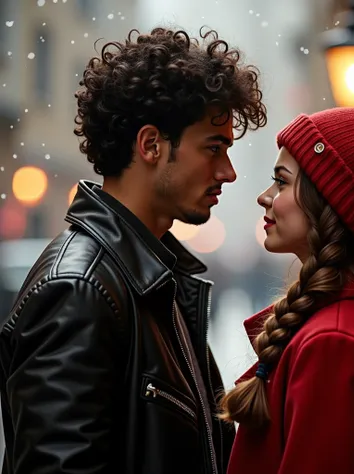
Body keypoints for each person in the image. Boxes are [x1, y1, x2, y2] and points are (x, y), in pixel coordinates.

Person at [0, 27, 266, 474]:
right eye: (214, 148)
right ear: (150, 145)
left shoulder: (154, 276)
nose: (229, 172)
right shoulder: (80, 288)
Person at [220, 107, 354, 474]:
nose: (265, 196)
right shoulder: (339, 327)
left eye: (282, 181)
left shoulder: (333, 343)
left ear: (329, 201)